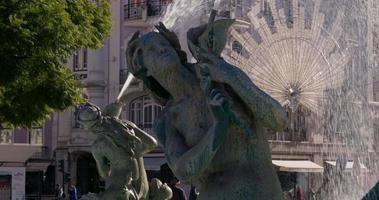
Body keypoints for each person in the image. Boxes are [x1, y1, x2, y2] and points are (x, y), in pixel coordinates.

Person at [126, 16, 287, 200]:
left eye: (164, 44)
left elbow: (278, 119)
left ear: (175, 49)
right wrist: (217, 129)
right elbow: (183, 171)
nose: (161, 49)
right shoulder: (167, 119)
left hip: (261, 192)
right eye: (152, 50)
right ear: (144, 68)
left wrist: (231, 75)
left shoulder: (219, 75)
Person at [77, 102, 158, 200]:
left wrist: (109, 160)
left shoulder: (98, 146)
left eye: (82, 125)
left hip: (119, 187)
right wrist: (133, 152)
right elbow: (152, 143)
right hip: (139, 182)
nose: (81, 128)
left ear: (88, 126)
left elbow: (104, 174)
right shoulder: (127, 125)